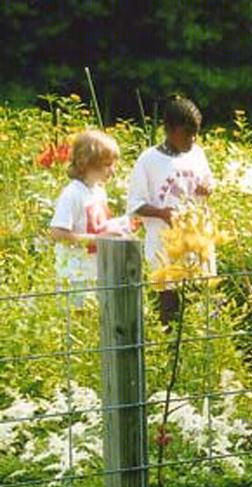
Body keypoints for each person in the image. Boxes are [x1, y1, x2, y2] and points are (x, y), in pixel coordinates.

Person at [127, 95, 214, 327]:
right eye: (187, 132)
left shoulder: (198, 154)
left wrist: (207, 188)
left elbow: (208, 185)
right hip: (164, 251)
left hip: (198, 248)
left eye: (196, 133)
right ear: (170, 130)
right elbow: (135, 205)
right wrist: (163, 213)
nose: (192, 139)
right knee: (169, 314)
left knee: (199, 311)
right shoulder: (148, 160)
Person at [50, 130, 121, 307]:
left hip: (97, 272)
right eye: (106, 165)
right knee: (76, 327)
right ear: (85, 163)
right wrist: (96, 240)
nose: (112, 171)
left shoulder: (99, 191)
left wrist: (119, 228)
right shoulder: (72, 194)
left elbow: (98, 226)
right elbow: (57, 233)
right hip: (75, 277)